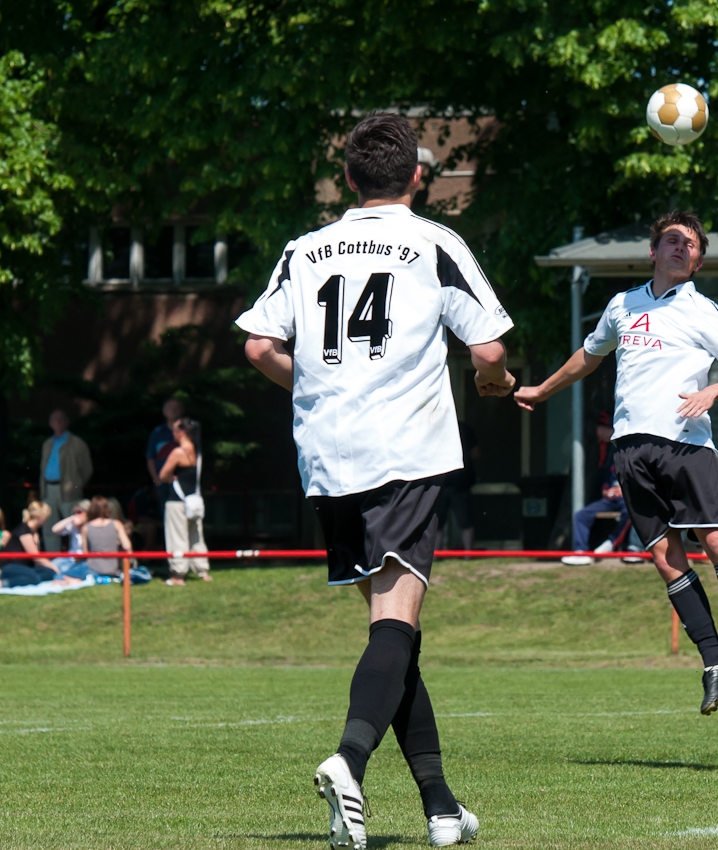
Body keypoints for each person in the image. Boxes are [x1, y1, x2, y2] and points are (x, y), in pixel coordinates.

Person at [239, 112, 514, 849]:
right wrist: (495, 380)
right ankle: (349, 758)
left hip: (327, 456)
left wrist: (322, 389)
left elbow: (259, 343)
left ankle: (442, 807)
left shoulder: (305, 247)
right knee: (396, 624)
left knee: (393, 633)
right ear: (418, 176)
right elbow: (487, 345)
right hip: (405, 453)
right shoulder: (434, 241)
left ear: (349, 178)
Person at [516, 209, 718, 715]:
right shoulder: (622, 304)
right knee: (663, 556)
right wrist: (544, 390)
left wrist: (714, 392)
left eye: (691, 244)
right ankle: (715, 660)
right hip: (630, 448)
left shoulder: (703, 310)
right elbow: (590, 355)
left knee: (716, 539)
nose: (682, 247)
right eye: (672, 240)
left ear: (698, 262)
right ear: (653, 251)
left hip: (685, 444)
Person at [563, 413, 631, 565]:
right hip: (610, 498)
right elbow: (607, 477)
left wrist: (626, 491)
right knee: (581, 515)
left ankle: (611, 544)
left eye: (603, 431)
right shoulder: (609, 453)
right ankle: (581, 552)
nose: (600, 435)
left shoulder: (632, 451)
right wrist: (605, 491)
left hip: (628, 498)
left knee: (631, 511)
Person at [159, 417, 211, 585]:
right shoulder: (197, 451)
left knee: (177, 538)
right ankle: (203, 571)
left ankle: (178, 575)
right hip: (193, 501)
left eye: (174, 430)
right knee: (196, 536)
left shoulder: (178, 452)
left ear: (180, 433)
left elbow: (163, 476)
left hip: (176, 501)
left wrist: (170, 478)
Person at [0, 502, 80, 589]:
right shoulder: (24, 531)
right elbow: (36, 557)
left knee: (49, 573)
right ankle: (1, 583)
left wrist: (51, 570)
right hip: (9, 567)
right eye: (46, 517)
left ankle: (30, 578)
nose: (46, 520)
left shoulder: (34, 532)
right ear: (40, 517)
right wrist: (54, 567)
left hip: (24, 568)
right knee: (35, 578)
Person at [38, 409, 93, 552]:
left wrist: (76, 485)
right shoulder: (48, 443)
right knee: (49, 527)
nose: (57, 422)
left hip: (69, 492)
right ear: (50, 423)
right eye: (54, 419)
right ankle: (53, 561)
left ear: (66, 422)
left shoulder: (77, 443)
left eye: (60, 419)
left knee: (74, 526)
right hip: (49, 489)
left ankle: (75, 558)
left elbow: (87, 469)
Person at [443, 421, 478, 551]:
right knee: (466, 522)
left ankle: (435, 555)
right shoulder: (465, 428)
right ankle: (468, 553)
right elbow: (475, 453)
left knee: (436, 523)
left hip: (442, 482)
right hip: (460, 482)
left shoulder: (435, 428)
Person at [146, 398, 184, 516]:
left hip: (182, 481)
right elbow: (150, 457)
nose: (173, 410)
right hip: (162, 482)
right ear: (164, 412)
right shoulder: (157, 432)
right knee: (165, 515)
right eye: (170, 408)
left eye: (176, 408)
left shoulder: (187, 431)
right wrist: (156, 479)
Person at [82, 496, 134, 579]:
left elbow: (85, 553)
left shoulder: (86, 527)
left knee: (60, 575)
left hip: (92, 569)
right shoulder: (117, 524)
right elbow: (127, 546)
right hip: (113, 569)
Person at [50, 499, 93, 580]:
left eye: (79, 512)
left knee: (62, 573)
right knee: (51, 566)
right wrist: (71, 518)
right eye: (74, 513)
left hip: (81, 560)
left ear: (88, 512)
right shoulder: (74, 526)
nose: (76, 515)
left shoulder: (91, 527)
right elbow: (55, 529)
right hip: (69, 557)